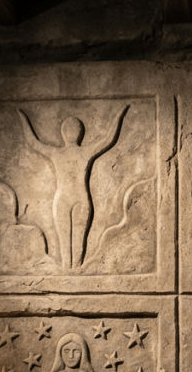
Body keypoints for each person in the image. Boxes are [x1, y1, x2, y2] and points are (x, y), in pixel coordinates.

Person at [17, 106, 129, 269]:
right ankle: (73, 270)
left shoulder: (57, 153)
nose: (71, 132)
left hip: (64, 199)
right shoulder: (83, 152)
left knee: (69, 241)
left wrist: (23, 118)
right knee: (77, 239)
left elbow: (34, 143)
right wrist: (119, 114)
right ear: (79, 133)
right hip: (79, 198)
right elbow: (107, 139)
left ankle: (71, 269)